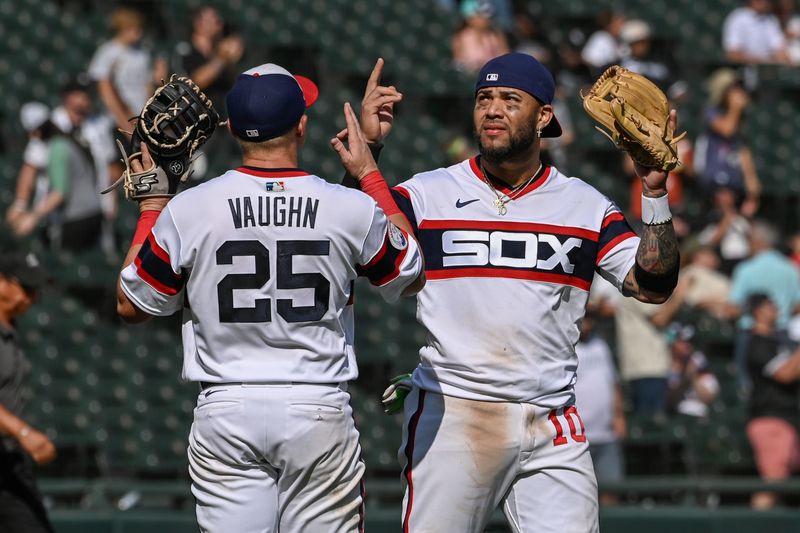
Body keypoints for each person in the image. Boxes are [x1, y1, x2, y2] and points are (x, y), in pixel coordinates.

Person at [349, 52, 681, 532]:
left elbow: (652, 285)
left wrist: (654, 193)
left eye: (510, 99)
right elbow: (355, 242)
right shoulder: (428, 192)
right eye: (484, 97)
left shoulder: (584, 205)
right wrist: (371, 155)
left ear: (544, 116)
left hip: (551, 417)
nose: (492, 109)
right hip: (455, 410)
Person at [114, 61, 424, 532]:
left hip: (226, 410)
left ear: (233, 128)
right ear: (302, 125)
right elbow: (410, 273)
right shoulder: (349, 206)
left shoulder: (189, 209)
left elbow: (131, 305)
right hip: (316, 406)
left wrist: (152, 208)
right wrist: (370, 170)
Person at [0, 250, 56, 533]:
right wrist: (23, 432)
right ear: (2, 282)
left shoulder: (11, 328)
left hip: (10, 463)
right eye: (26, 288)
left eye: (36, 291)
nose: (31, 298)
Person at [12, 83, 106, 251]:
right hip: (90, 213)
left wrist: (32, 217)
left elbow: (60, 192)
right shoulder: (63, 143)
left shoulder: (58, 149)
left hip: (78, 219)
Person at [744, 294, 800, 509]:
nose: (775, 310)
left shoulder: (778, 341)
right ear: (758, 311)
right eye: (770, 306)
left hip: (787, 418)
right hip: (770, 419)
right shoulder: (757, 343)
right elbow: (785, 374)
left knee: (782, 484)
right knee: (773, 482)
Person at [574, 309, 625, 506]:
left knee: (611, 492)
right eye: (586, 317)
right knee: (579, 498)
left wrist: (619, 415)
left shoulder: (601, 346)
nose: (588, 322)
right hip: (577, 437)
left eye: (591, 318)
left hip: (606, 435)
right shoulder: (565, 347)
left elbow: (613, 383)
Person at [88, 7, 166, 136]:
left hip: (140, 118)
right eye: (135, 28)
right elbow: (105, 91)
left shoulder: (142, 54)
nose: (139, 32)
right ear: (123, 28)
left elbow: (147, 89)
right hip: (114, 122)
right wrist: (125, 126)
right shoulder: (108, 52)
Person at [693, 68, 761, 204]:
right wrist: (735, 107)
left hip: (734, 177)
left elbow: (742, 148)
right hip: (715, 179)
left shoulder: (741, 117)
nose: (738, 92)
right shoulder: (710, 112)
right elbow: (727, 130)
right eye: (732, 89)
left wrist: (751, 179)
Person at [5, 103, 55, 234]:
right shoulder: (39, 141)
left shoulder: (62, 140)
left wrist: (34, 216)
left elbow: (62, 190)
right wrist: (20, 205)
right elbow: (29, 169)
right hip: (50, 212)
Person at [723, 0, 790, 64]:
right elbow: (733, 55)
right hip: (741, 69)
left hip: (767, 71)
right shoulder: (737, 18)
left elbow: (780, 51)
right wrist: (763, 61)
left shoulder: (771, 20)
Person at [451, 0, 510, 74]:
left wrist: (501, 39)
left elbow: (505, 60)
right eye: (480, 15)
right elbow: (459, 64)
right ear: (469, 17)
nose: (486, 19)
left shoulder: (494, 36)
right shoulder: (461, 37)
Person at [618, 20, 671, 89]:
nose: (641, 46)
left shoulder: (662, 62)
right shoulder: (621, 66)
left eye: (643, 42)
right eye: (636, 43)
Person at [581, 9, 626, 75]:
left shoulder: (623, 41)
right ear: (610, 24)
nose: (622, 26)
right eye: (619, 23)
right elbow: (588, 60)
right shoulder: (600, 38)